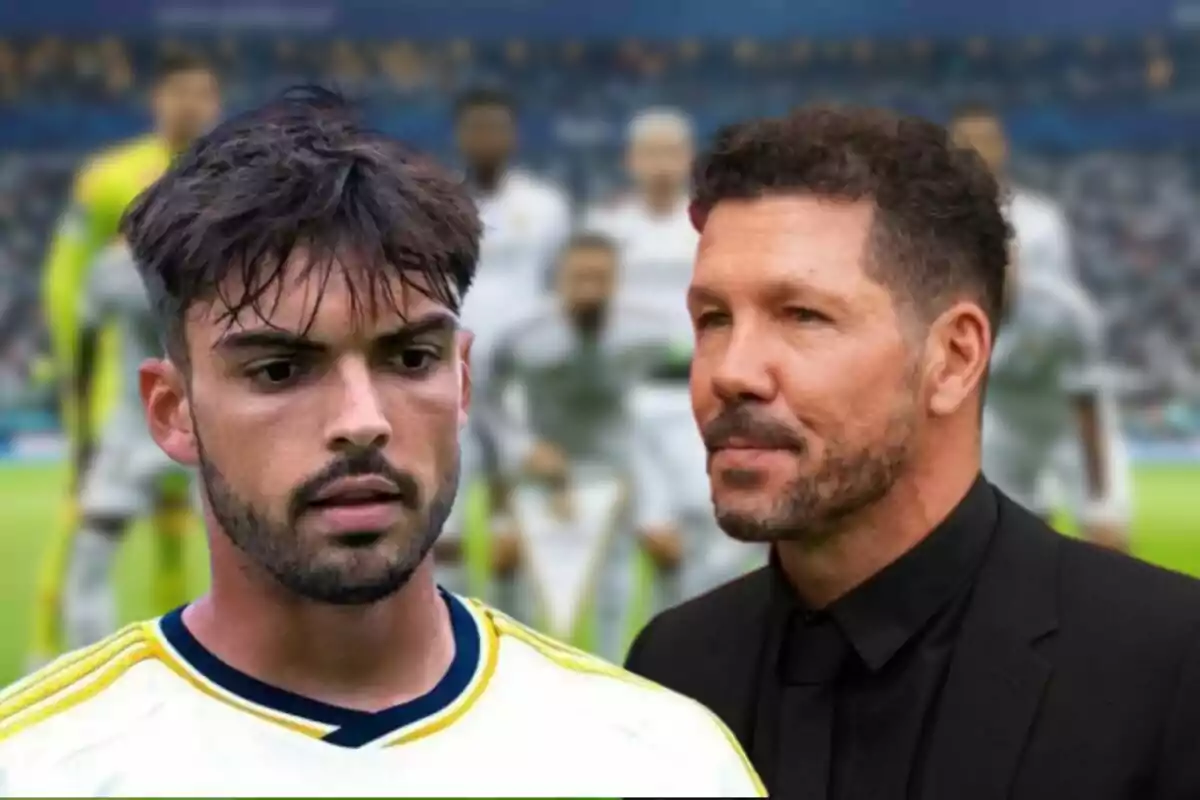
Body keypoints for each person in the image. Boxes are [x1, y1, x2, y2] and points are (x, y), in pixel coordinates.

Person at [0, 88, 763, 798]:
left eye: (409, 359)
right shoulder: (37, 766)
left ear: (462, 382)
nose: (362, 419)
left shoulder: (662, 761)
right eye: (279, 369)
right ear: (172, 412)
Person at [624, 106, 1200, 799]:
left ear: (954, 359)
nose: (729, 371)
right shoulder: (675, 669)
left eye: (802, 315)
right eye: (713, 319)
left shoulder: (1166, 666)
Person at [31, 53, 221, 667]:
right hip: (127, 383)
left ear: (215, 105)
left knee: (182, 539)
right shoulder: (110, 176)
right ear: (157, 99)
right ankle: (49, 651)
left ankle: (184, 664)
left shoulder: (234, 178)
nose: (190, 105)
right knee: (84, 521)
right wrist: (70, 362)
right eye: (179, 91)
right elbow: (69, 276)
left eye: (202, 93)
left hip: (206, 394)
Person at [586, 108, 761, 610]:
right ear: (630, 160)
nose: (661, 164)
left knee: (706, 527)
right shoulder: (605, 228)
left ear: (688, 158)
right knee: (634, 537)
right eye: (650, 153)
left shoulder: (714, 226)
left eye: (671, 152)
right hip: (630, 398)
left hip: (702, 387)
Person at [480, 233, 677, 662]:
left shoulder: (648, 332)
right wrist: (522, 448)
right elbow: (486, 401)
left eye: (601, 276)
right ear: (560, 279)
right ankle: (518, 681)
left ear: (617, 280)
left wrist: (657, 502)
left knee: (618, 582)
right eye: (580, 275)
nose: (590, 286)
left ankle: (621, 676)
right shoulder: (524, 334)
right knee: (525, 583)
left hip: (615, 468)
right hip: (542, 473)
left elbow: (668, 403)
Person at [950, 105, 1132, 551]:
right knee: (1014, 548)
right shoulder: (934, 235)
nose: (977, 150)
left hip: (1065, 407)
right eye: (965, 140)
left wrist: (1100, 497)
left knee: (1107, 538)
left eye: (985, 138)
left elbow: (1084, 387)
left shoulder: (1043, 231)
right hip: (1003, 411)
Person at [438, 86, 572, 605]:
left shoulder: (546, 207)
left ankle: (516, 632)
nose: (487, 138)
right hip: (454, 379)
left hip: (521, 387)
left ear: (513, 136)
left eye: (497, 127)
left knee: (517, 524)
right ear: (460, 136)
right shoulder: (437, 205)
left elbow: (560, 289)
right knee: (446, 521)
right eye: (477, 128)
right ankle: (449, 625)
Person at [62, 239, 196, 650]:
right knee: (257, 554)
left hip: (140, 426)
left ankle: (89, 669)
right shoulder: (217, 251)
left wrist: (83, 437)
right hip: (200, 422)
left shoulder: (114, 266)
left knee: (90, 558)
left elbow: (85, 349)